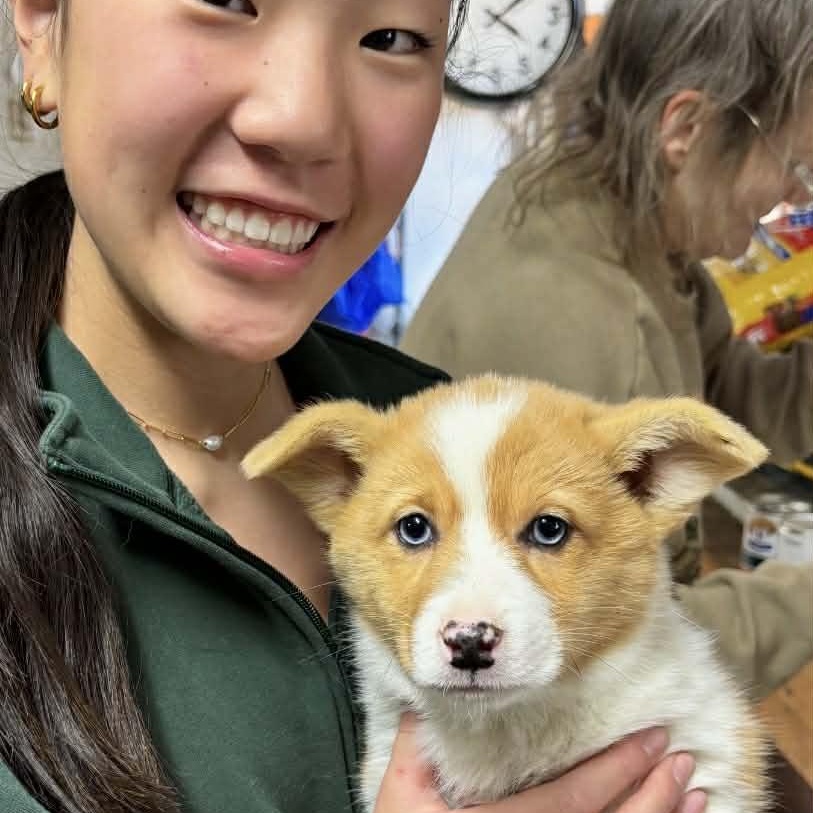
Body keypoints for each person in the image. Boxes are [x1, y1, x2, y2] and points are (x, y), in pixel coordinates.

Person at [0, 1, 711, 813]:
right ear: (45, 22)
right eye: (226, 2)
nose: (303, 120)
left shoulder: (435, 427)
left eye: (394, 38)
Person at [402, 0, 813, 698]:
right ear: (685, 127)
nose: (794, 193)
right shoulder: (590, 322)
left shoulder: (611, 201)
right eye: (793, 160)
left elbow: (735, 398)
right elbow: (626, 659)